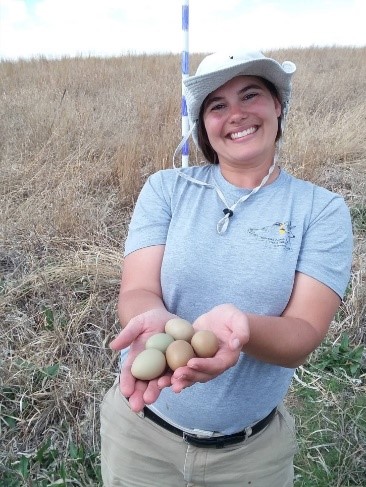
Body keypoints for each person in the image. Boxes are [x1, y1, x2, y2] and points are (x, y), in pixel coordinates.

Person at [100, 49, 353, 486]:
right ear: (203, 124)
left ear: (277, 105)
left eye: (250, 95)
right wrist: (157, 322)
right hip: (141, 437)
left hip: (250, 458)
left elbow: (302, 336)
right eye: (217, 106)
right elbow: (137, 290)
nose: (235, 114)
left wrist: (244, 329)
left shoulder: (321, 210)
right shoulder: (166, 189)